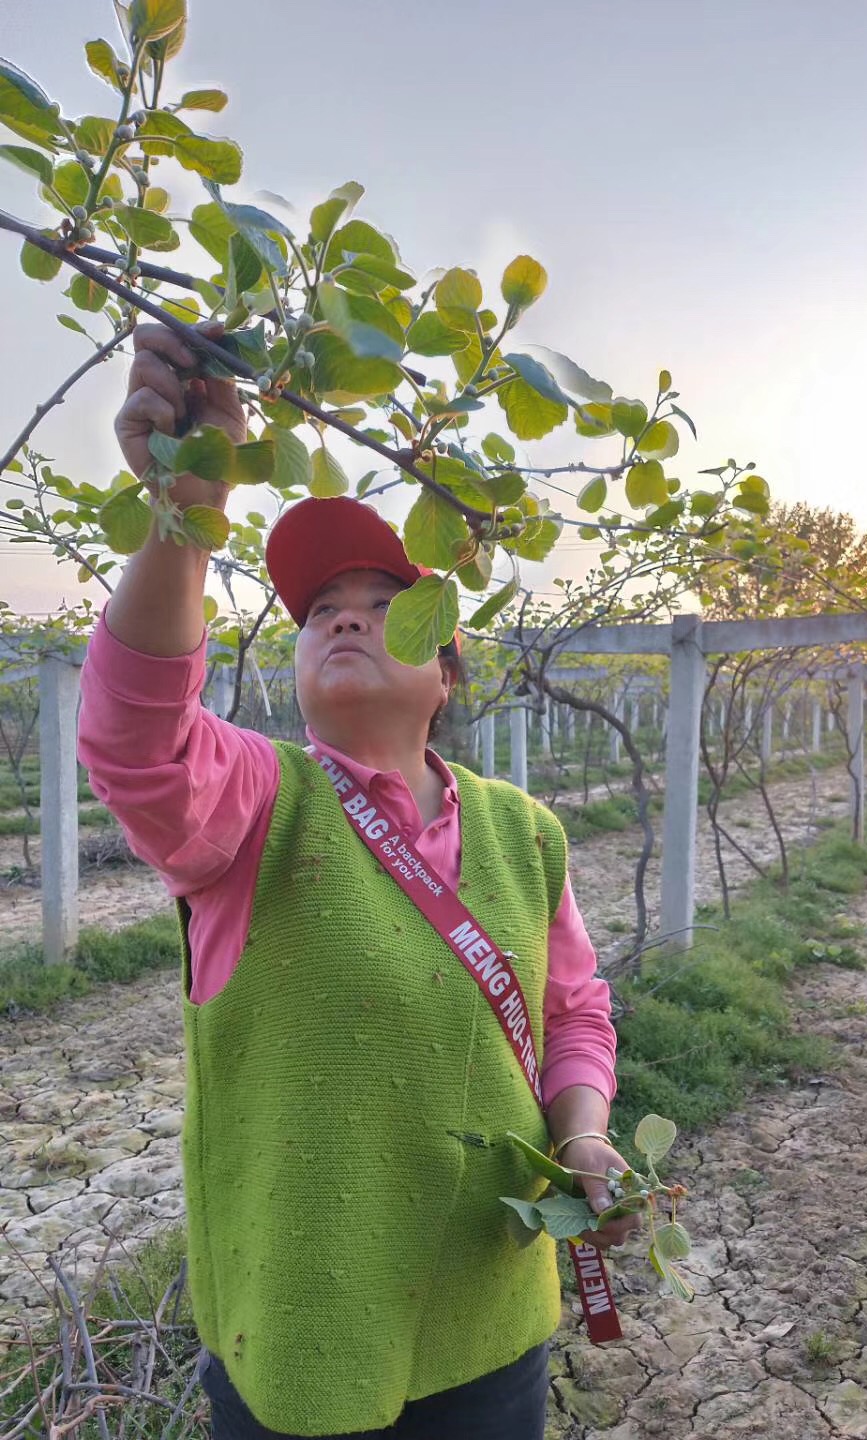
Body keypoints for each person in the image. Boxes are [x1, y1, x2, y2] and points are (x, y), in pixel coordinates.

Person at [77, 323, 638, 1440]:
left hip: (490, 1315)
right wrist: (184, 514)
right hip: (305, 1339)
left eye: (385, 603)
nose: (340, 612)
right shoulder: (254, 805)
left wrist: (582, 1130)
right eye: (319, 606)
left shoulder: (526, 834)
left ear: (445, 673)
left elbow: (572, 1009)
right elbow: (138, 738)